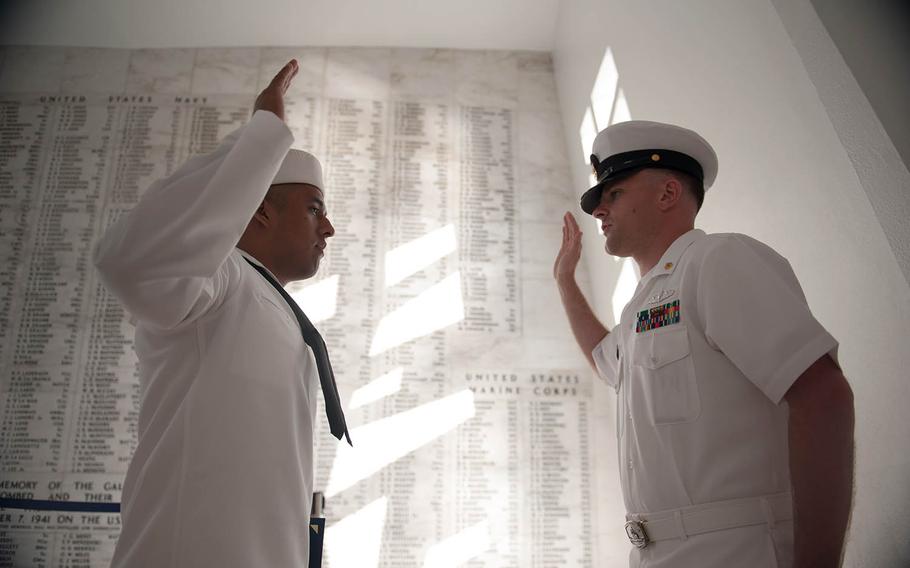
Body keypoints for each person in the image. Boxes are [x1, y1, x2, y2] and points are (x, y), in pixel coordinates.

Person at [553, 120, 854, 567]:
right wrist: (564, 282)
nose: (599, 211)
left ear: (668, 194)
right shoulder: (642, 305)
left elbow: (822, 395)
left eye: (613, 193)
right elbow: (606, 362)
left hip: (736, 549)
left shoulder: (716, 261)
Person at [94, 60, 349, 567]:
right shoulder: (222, 277)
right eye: (314, 208)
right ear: (259, 209)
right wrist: (258, 141)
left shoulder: (272, 303)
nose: (329, 229)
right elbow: (129, 261)